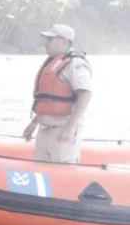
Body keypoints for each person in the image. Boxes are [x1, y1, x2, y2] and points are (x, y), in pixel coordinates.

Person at [23, 23, 92, 164]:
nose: (46, 43)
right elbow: (48, 101)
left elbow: (85, 94)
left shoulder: (75, 64)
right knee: (40, 169)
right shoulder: (52, 63)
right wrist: (34, 122)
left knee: (63, 171)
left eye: (50, 39)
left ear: (64, 41)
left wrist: (70, 127)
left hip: (62, 130)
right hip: (45, 129)